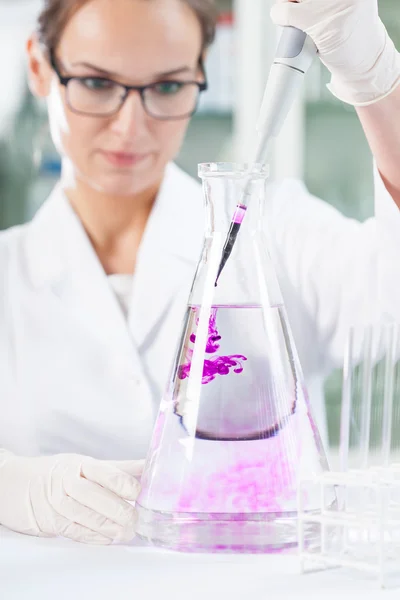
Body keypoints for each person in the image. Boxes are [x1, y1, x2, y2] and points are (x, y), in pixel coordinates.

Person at [0, 0, 399, 546]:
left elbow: (391, 297)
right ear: (40, 67)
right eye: (96, 82)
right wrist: (12, 485)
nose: (130, 125)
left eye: (166, 87)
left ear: (201, 73)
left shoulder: (277, 230)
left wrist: (377, 78)